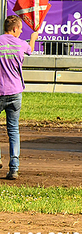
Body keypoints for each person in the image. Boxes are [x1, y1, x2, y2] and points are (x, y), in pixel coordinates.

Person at [0, 15, 39, 180]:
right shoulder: (21, 44)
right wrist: (33, 37)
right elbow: (30, 49)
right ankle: (14, 168)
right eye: (20, 29)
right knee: (13, 130)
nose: (21, 31)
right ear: (15, 29)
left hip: (0, 90)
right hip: (15, 92)